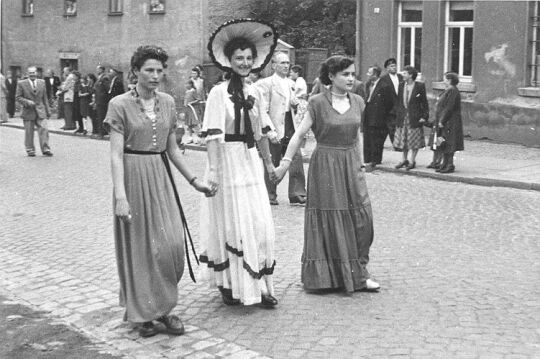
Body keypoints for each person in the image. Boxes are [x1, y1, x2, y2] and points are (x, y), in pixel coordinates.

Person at [105, 45, 214, 338]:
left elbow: (173, 149)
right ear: (135, 72)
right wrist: (120, 196)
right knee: (141, 248)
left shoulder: (167, 102)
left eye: (159, 70)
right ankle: (145, 314)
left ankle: (164, 307)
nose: (155, 75)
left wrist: (195, 182)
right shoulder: (119, 104)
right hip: (132, 177)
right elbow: (115, 155)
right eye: (148, 70)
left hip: (160, 177)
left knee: (170, 247)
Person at [273, 55, 380, 293]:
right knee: (330, 219)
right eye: (345, 74)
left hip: (351, 164)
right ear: (331, 77)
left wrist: (360, 163)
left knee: (363, 220)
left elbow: (357, 135)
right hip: (325, 166)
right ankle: (329, 277)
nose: (351, 78)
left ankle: (359, 272)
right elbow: (299, 135)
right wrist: (285, 163)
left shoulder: (359, 102)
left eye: (353, 73)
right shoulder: (317, 102)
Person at [199, 18, 279, 307]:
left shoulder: (254, 92)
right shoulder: (218, 94)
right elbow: (212, 138)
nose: (244, 63)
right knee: (232, 224)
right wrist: (215, 173)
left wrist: (269, 165)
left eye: (248, 58)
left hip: (249, 162)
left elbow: (260, 134)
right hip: (226, 163)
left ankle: (259, 285)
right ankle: (231, 284)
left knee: (258, 223)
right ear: (228, 61)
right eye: (239, 58)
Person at [257, 52, 307, 205]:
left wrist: (294, 104)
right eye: (282, 63)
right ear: (273, 65)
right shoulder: (266, 83)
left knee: (296, 157)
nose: (286, 66)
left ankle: (297, 194)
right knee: (273, 159)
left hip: (290, 125)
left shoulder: (291, 83)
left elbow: (292, 104)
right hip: (275, 125)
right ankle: (269, 195)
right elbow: (262, 110)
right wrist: (268, 130)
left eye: (287, 63)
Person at [393, 66, 428, 170]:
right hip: (403, 117)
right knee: (403, 139)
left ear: (411, 75)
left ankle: (412, 160)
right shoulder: (401, 85)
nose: (402, 75)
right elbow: (399, 101)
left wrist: (424, 116)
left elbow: (424, 103)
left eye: (404, 73)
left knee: (414, 140)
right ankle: (404, 159)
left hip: (414, 117)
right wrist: (398, 114)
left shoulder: (419, 86)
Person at [429, 72, 464, 174]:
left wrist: (442, 120)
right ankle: (444, 164)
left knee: (449, 143)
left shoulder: (452, 91)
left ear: (449, 80)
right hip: (446, 121)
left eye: (445, 79)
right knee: (443, 142)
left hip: (450, 121)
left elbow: (449, 107)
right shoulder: (448, 90)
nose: (444, 81)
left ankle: (450, 164)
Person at [15, 66, 53, 157]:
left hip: (40, 110)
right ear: (27, 74)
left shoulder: (42, 82)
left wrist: (48, 111)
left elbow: (45, 98)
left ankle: (45, 149)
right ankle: (30, 149)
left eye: (34, 72)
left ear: (37, 73)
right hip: (28, 111)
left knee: (44, 129)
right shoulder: (21, 83)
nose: (32, 74)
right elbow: (18, 97)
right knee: (29, 131)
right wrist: (27, 102)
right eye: (30, 73)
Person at [363, 65, 394, 170]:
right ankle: (367, 159)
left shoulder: (384, 86)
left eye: (369, 73)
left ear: (375, 74)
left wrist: (384, 115)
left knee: (376, 138)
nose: (367, 75)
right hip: (368, 113)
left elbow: (390, 102)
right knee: (367, 136)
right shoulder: (368, 84)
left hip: (378, 116)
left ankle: (375, 159)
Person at [379, 58, 402, 147]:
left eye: (395, 66)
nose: (394, 68)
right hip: (389, 106)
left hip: (400, 105)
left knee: (398, 125)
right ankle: (395, 145)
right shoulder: (384, 79)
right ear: (387, 68)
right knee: (391, 126)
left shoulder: (400, 77)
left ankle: (398, 143)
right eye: (392, 66)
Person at [92, 65, 110, 139]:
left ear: (102, 70)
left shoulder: (104, 78)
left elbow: (107, 89)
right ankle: (101, 131)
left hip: (102, 100)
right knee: (99, 116)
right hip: (98, 100)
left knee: (101, 116)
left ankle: (102, 133)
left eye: (98, 69)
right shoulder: (99, 78)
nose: (97, 70)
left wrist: (103, 97)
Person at [182, 79, 201, 144]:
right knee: (188, 125)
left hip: (193, 110)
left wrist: (191, 103)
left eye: (187, 84)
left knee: (194, 124)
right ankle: (190, 138)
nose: (186, 85)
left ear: (191, 84)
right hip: (188, 110)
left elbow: (198, 99)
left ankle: (197, 138)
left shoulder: (194, 91)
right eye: (185, 84)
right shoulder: (187, 92)